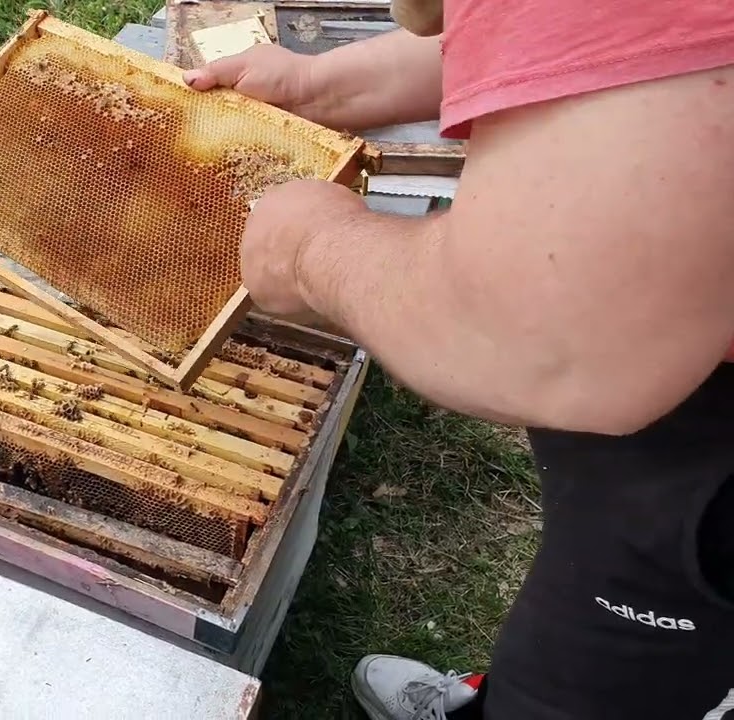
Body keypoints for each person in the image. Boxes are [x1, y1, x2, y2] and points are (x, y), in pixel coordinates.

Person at [182, 2, 734, 719]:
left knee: (579, 686)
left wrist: (310, 251)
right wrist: (315, 86)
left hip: (700, 445)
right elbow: (573, 46)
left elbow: (545, 347)